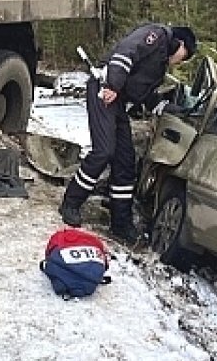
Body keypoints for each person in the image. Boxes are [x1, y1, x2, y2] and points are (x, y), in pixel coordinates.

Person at [59, 23, 197, 242]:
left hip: (119, 102)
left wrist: (174, 110)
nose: (180, 61)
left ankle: (120, 222)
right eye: (184, 56)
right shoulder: (156, 36)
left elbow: (145, 95)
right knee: (103, 151)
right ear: (181, 44)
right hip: (104, 91)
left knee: (125, 162)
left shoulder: (160, 66)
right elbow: (125, 54)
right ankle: (71, 202)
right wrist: (112, 85)